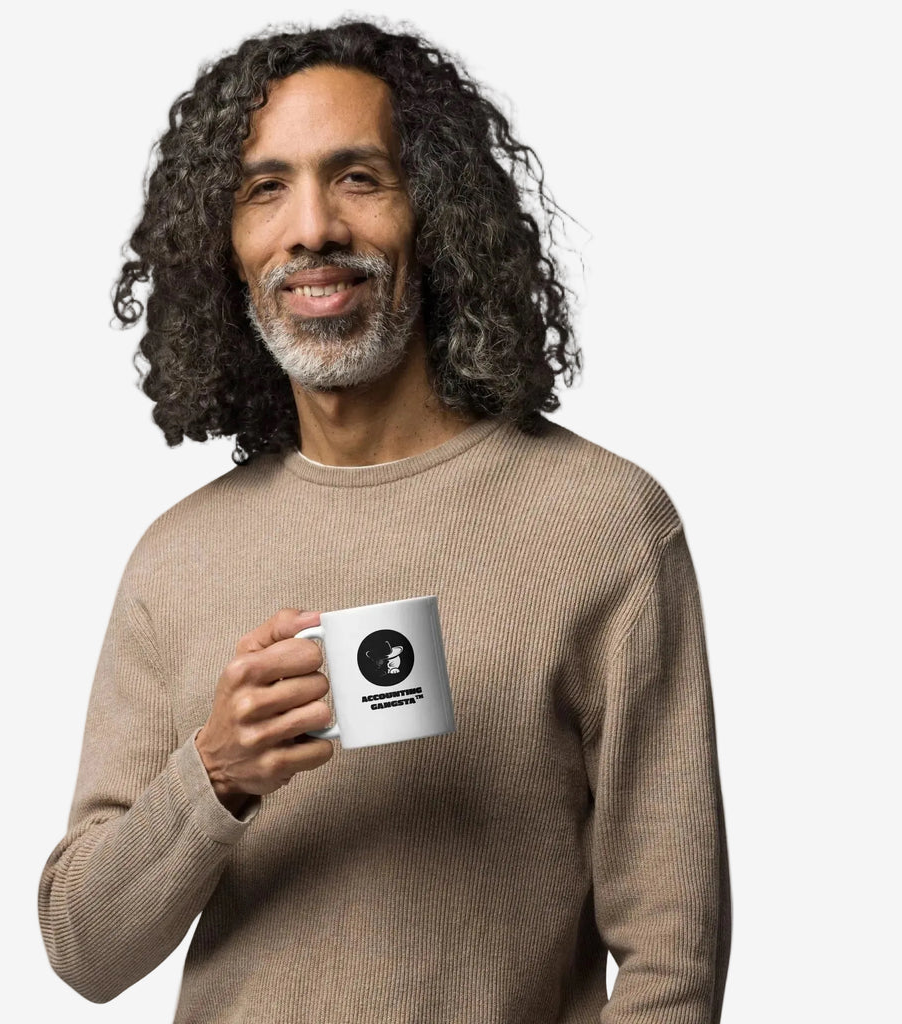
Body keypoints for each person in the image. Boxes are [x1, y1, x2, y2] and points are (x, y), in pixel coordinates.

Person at [38, 18, 731, 1023]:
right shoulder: (174, 560)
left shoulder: (604, 525)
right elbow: (82, 950)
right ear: (224, 245)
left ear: (435, 213)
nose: (311, 227)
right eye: (264, 188)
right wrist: (215, 776)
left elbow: (672, 964)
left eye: (358, 176)